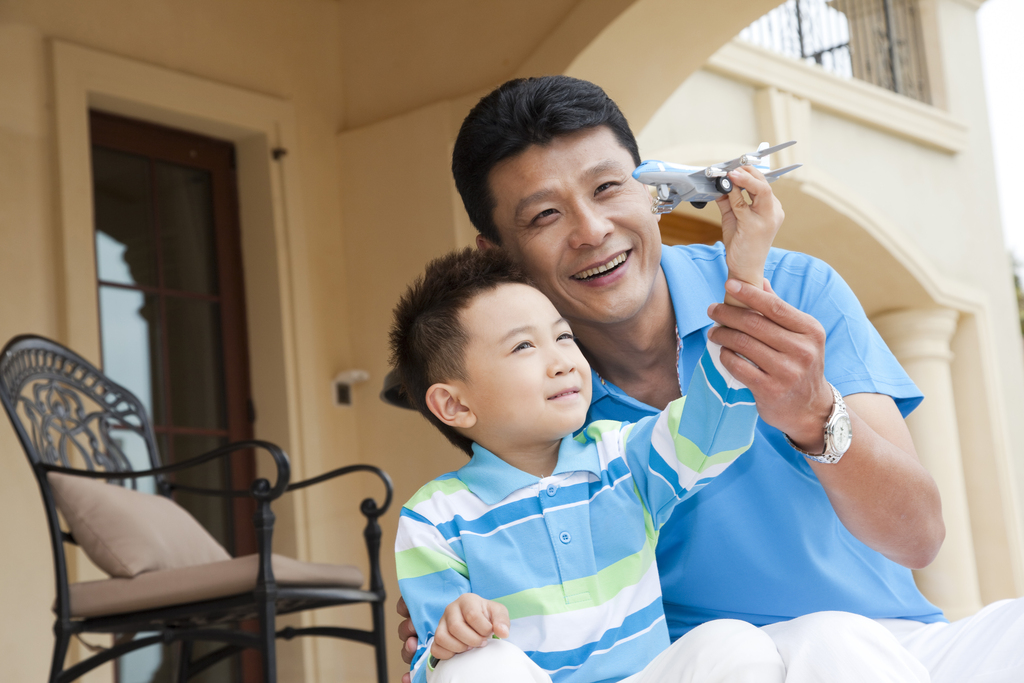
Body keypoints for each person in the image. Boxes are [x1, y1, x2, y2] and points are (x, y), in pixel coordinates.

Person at [391, 75, 1024, 683]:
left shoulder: (799, 291)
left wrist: (814, 414)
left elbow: (918, 538)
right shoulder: (530, 399)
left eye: (608, 188)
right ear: (496, 254)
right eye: (545, 216)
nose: (591, 231)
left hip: (895, 647)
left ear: (649, 191)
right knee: (820, 641)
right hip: (709, 666)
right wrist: (459, 615)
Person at [389, 246, 926, 683]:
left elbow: (706, 426)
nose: (562, 361)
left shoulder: (622, 455)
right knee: (480, 668)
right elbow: (428, 656)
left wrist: (744, 281)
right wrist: (453, 635)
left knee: (731, 645)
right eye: (524, 347)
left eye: (562, 336)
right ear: (454, 405)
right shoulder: (433, 518)